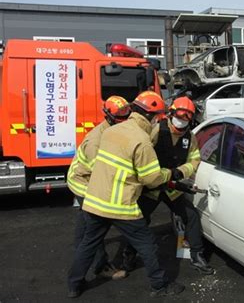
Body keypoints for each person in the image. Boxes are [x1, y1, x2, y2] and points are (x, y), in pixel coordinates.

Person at [67, 91, 185, 298]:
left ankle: (74, 286)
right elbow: (151, 178)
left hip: (95, 201)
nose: (159, 121)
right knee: (147, 244)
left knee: (88, 243)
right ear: (151, 116)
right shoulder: (141, 140)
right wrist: (170, 173)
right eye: (158, 117)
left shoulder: (111, 131)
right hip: (120, 205)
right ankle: (160, 285)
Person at [122, 96, 214, 275]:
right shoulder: (156, 130)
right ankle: (129, 255)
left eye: (187, 117)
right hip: (152, 187)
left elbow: (194, 159)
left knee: (191, 217)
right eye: (180, 115)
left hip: (172, 187)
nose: (182, 120)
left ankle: (197, 256)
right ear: (171, 114)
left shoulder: (190, 137)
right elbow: (142, 154)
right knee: (139, 220)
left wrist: (182, 172)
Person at [67, 95, 130, 281]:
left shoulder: (112, 130)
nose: (124, 121)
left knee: (85, 223)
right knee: (96, 226)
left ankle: (81, 249)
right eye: (120, 117)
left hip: (87, 179)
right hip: (84, 183)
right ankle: (100, 265)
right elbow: (103, 174)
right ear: (109, 116)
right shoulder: (96, 141)